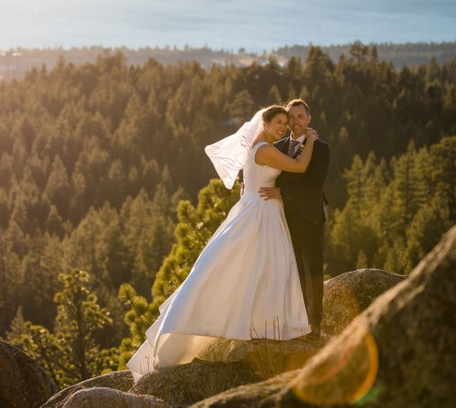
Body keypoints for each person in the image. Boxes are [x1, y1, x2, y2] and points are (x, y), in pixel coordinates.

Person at [126, 105, 317, 381]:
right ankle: (262, 324)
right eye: (277, 122)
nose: (282, 128)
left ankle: (263, 323)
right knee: (258, 268)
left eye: (285, 124)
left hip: (260, 209)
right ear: (263, 122)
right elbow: (300, 167)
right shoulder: (264, 149)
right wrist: (310, 138)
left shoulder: (261, 146)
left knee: (260, 269)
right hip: (259, 213)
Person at [259, 99, 329, 339]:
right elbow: (263, 170)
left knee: (313, 270)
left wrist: (283, 193)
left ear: (308, 119)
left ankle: (315, 322)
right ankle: (295, 320)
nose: (295, 122)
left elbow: (315, 184)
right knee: (290, 269)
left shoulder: (320, 148)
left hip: (310, 217)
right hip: (282, 218)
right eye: (291, 117)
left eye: (300, 117)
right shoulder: (277, 146)